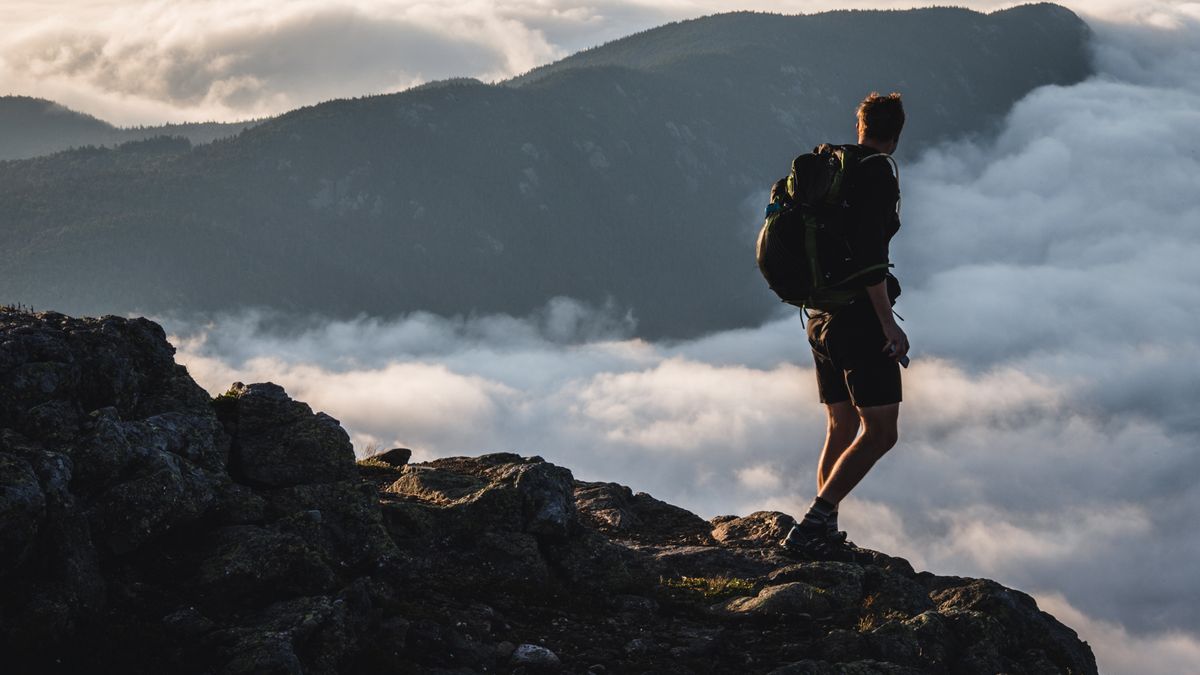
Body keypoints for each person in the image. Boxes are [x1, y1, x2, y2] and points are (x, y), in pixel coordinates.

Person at [780, 91, 909, 557]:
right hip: (856, 318)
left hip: (819, 317)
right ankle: (815, 522)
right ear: (896, 133)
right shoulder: (876, 174)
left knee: (841, 423)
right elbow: (871, 257)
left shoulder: (830, 166)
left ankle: (822, 526)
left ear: (860, 126)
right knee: (881, 432)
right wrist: (888, 325)